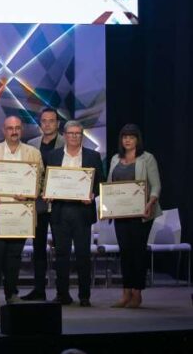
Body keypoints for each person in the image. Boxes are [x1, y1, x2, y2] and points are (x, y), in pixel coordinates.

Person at [0, 115, 43, 307]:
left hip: (20, 214)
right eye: (10, 128)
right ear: (3, 131)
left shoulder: (33, 153)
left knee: (14, 257)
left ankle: (12, 293)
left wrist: (30, 194)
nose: (14, 131)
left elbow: (40, 181)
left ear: (21, 130)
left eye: (17, 128)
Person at [44, 120, 103, 306]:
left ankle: (84, 296)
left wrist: (92, 195)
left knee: (83, 255)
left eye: (78, 133)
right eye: (71, 133)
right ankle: (63, 295)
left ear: (82, 135)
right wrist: (48, 193)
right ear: (65, 135)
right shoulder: (53, 156)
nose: (74, 136)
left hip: (82, 212)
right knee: (61, 255)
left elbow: (99, 184)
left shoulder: (93, 156)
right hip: (60, 212)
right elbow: (46, 181)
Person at [107, 124, 161, 309]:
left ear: (138, 139)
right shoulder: (115, 159)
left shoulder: (147, 159)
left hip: (142, 213)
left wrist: (150, 203)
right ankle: (126, 292)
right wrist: (106, 208)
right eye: (124, 137)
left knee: (138, 253)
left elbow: (156, 186)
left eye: (131, 136)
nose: (127, 140)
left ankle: (137, 293)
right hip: (121, 214)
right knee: (125, 253)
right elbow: (109, 186)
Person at [24, 107, 64, 301]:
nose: (47, 124)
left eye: (51, 121)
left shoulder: (68, 143)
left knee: (61, 249)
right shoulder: (31, 144)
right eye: (44, 121)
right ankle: (39, 289)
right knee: (38, 248)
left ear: (58, 123)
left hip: (59, 204)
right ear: (40, 123)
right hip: (38, 204)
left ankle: (61, 292)